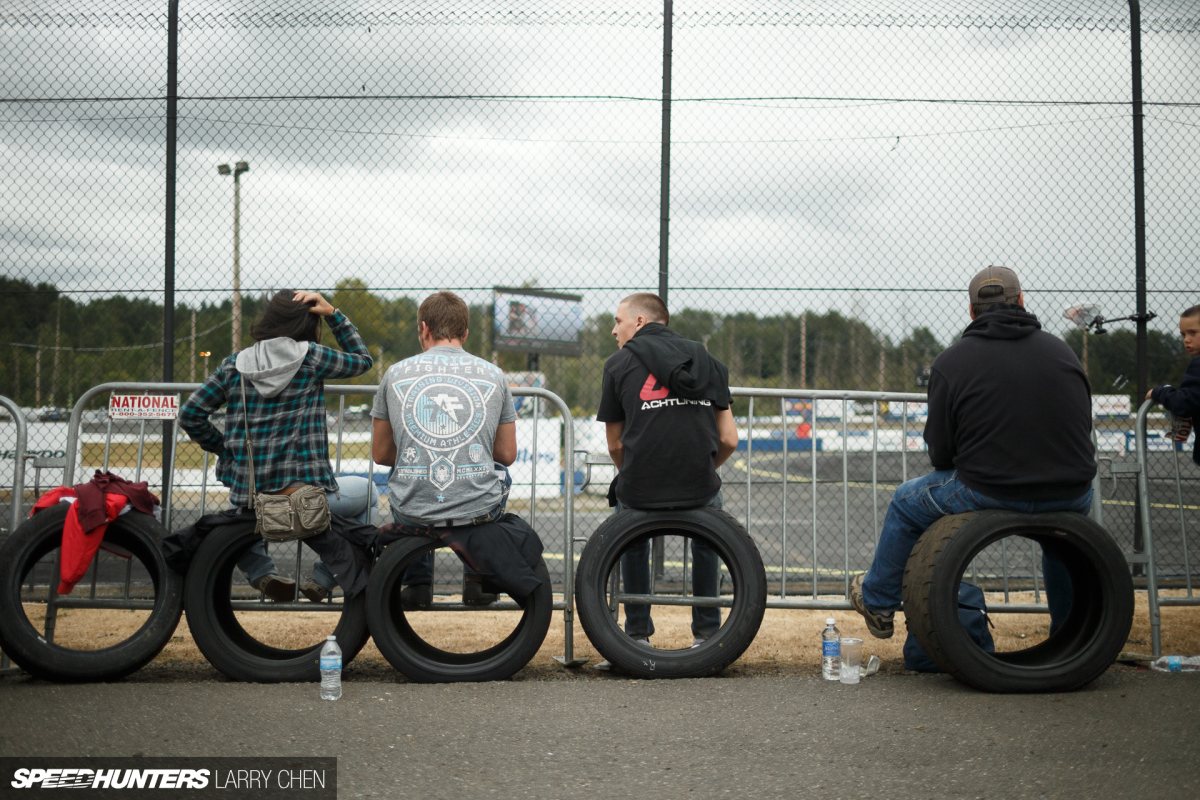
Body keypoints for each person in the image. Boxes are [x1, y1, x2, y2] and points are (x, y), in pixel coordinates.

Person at [850, 266, 1096, 639]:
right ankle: (1073, 636)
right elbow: (1081, 426)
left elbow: (941, 452)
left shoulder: (952, 361)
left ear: (971, 311)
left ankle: (878, 601)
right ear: (1022, 300)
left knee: (905, 500)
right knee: (1061, 544)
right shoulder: (1063, 352)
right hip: (1071, 492)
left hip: (989, 487)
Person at [180, 290, 377, 602]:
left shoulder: (233, 365)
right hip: (303, 498)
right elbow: (363, 360)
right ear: (308, 324)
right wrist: (334, 315)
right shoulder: (312, 357)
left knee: (235, 517)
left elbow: (190, 415)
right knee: (370, 493)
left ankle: (260, 572)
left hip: (251, 499)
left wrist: (224, 450)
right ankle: (326, 576)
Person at [595, 293, 739, 661]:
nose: (614, 330)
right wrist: (706, 468)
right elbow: (728, 439)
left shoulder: (617, 365)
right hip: (700, 484)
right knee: (710, 543)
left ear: (640, 322)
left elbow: (614, 444)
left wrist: (637, 470)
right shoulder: (709, 363)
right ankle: (707, 633)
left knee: (630, 542)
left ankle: (637, 635)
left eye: (618, 321)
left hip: (640, 484)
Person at [371, 291, 517, 608]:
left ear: (424, 328)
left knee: (406, 471)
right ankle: (477, 579)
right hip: (476, 509)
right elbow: (506, 454)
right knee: (500, 473)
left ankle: (417, 582)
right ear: (465, 333)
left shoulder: (393, 373)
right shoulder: (495, 375)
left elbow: (381, 455)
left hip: (411, 511)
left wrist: (422, 450)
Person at [1147, 305, 1200, 464]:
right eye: (1183, 334)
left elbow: (1184, 403)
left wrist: (1160, 392)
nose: (1186, 339)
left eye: (1193, 333)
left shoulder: (1198, 366)